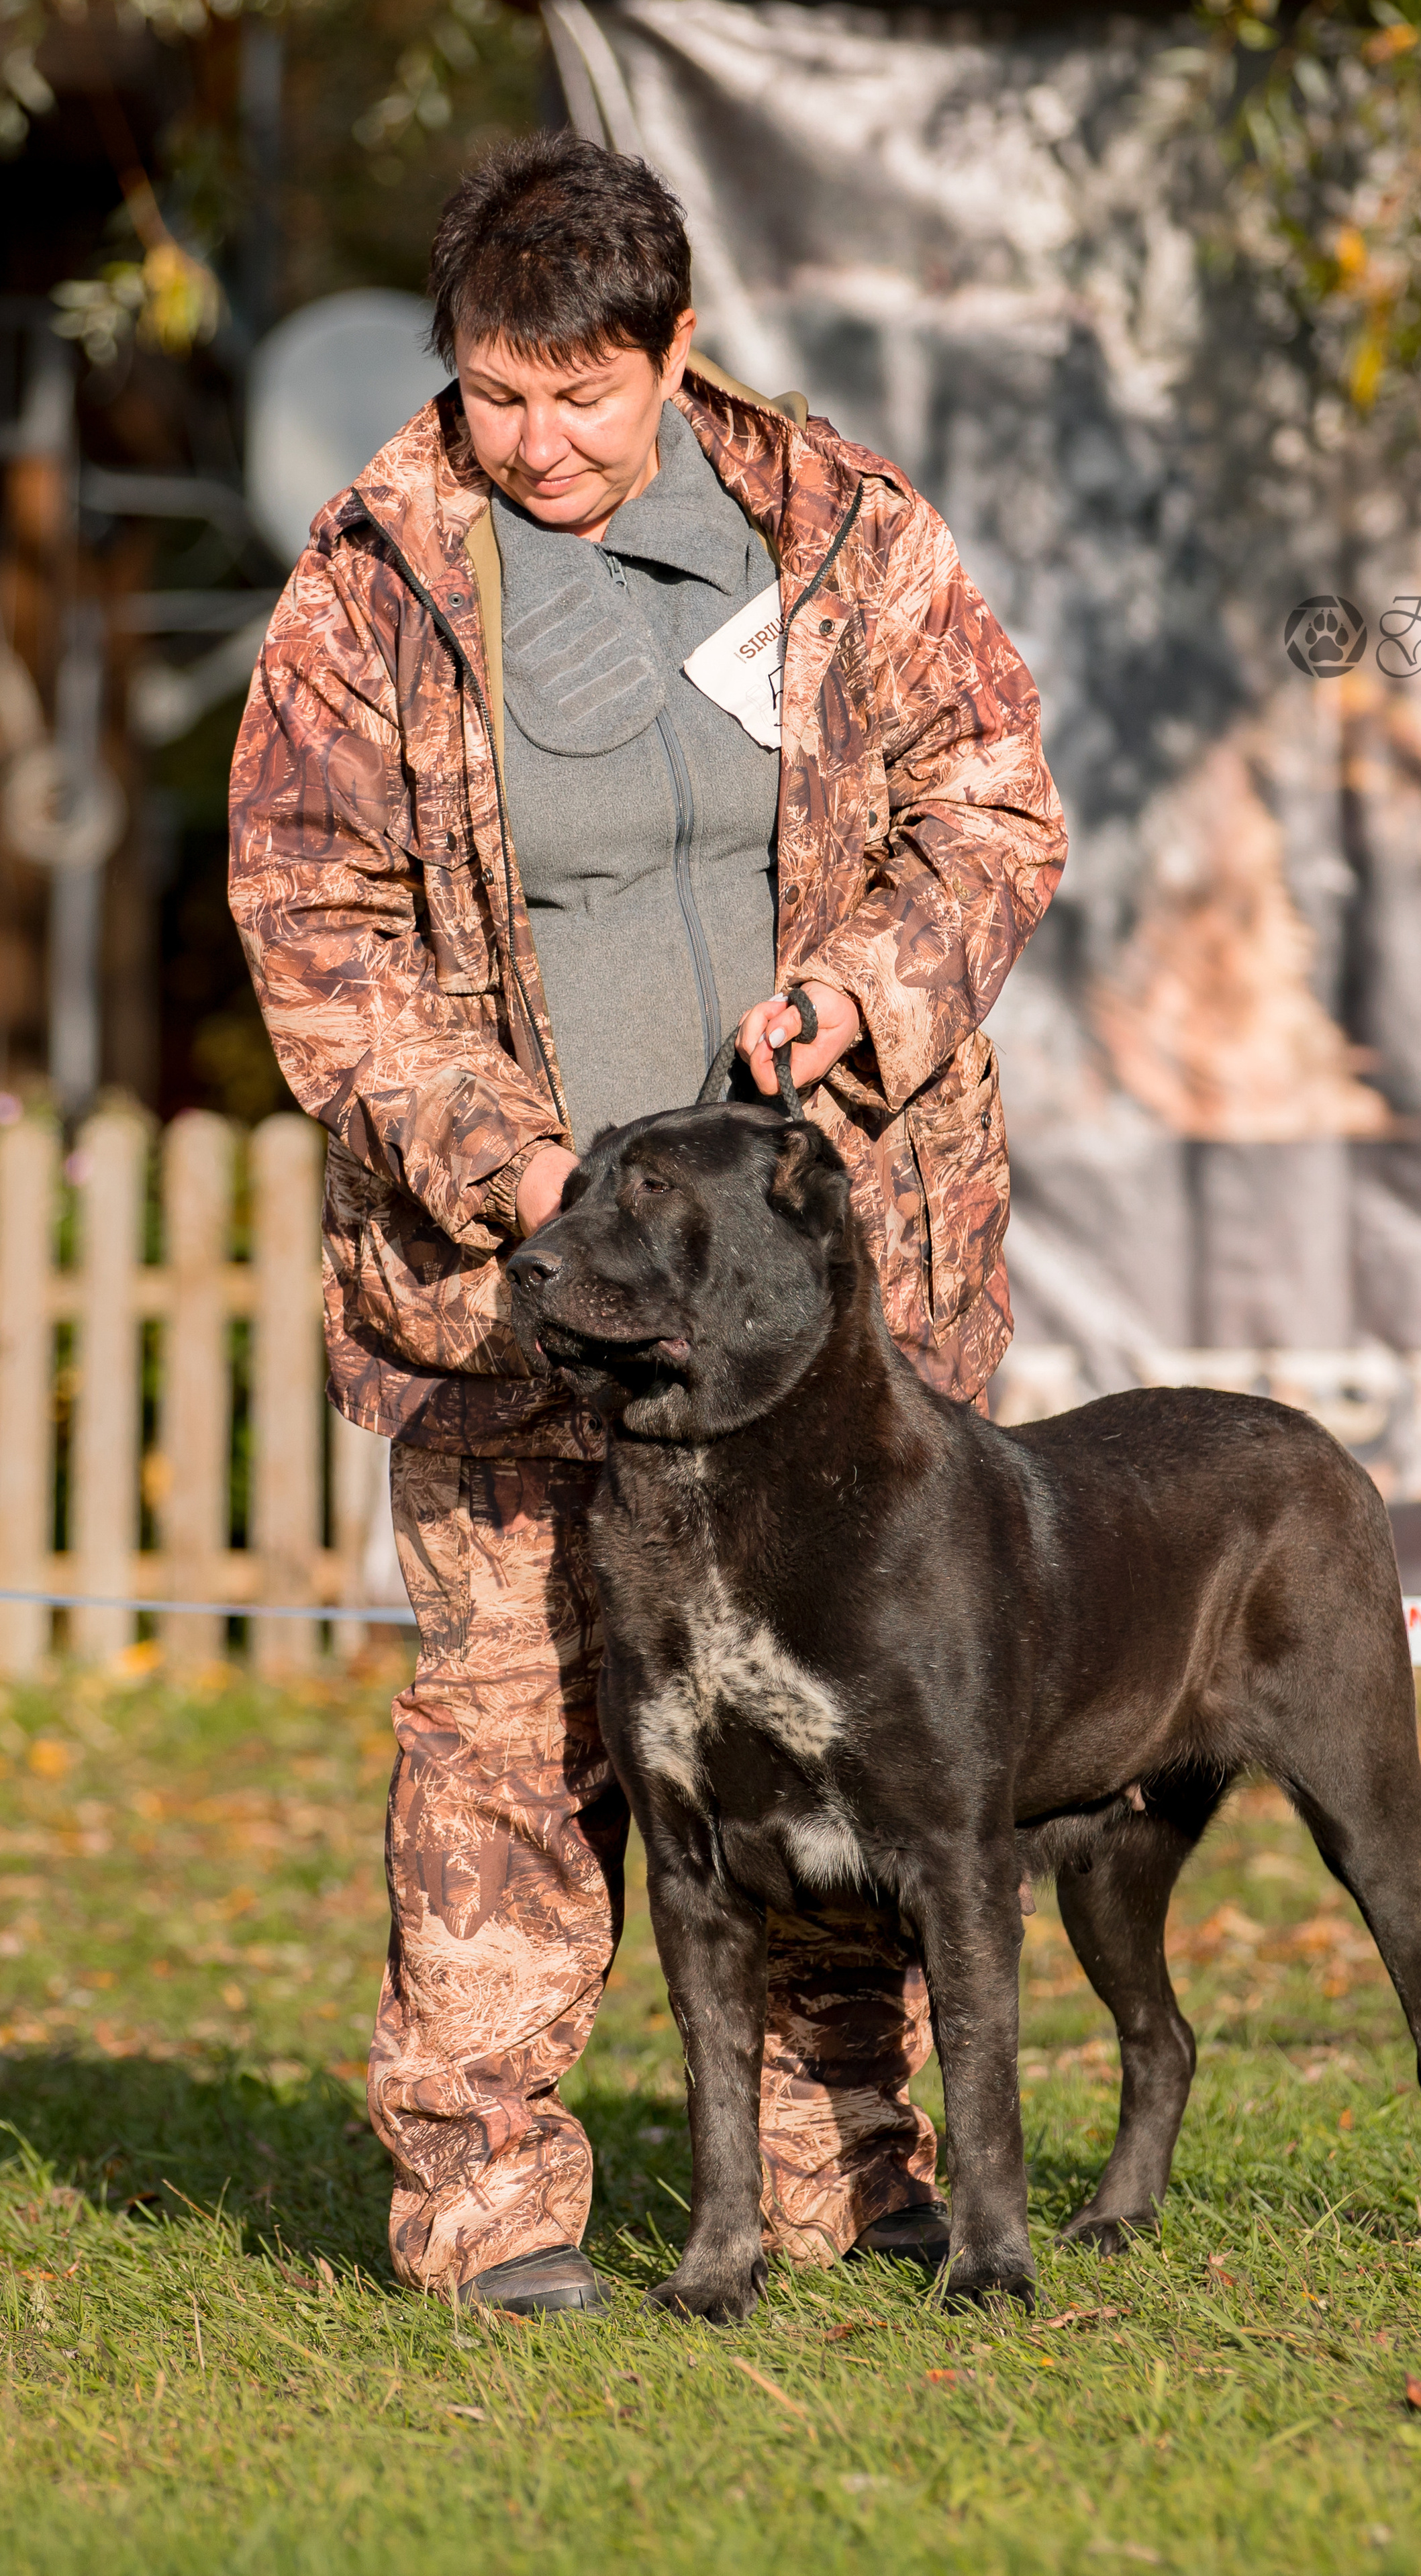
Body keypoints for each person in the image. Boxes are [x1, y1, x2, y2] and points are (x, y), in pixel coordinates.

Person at [229, 132, 1065, 2318]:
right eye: (498, 398)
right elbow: (315, 924)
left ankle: (834, 2168)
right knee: (513, 1737)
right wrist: (494, 1153)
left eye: (585, 399)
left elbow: (989, 804)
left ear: (676, 354)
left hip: (813, 1298)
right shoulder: (373, 581)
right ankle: (496, 2201)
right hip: (529, 1293)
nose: (540, 444)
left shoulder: (845, 531)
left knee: (850, 1723)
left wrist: (870, 997)